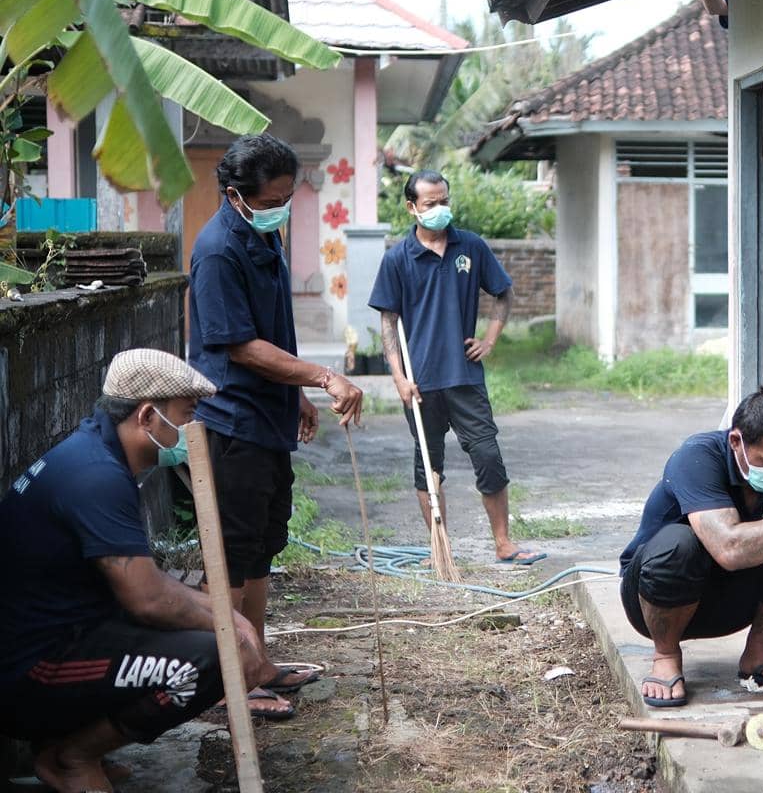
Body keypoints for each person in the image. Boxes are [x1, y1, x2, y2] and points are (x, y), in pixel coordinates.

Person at [0, 349, 272, 793]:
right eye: (186, 415)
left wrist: (229, 615)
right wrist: (231, 628)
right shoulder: (96, 477)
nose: (191, 429)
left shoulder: (94, 452)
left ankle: (75, 745)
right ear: (147, 415)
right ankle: (73, 756)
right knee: (214, 660)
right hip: (27, 671)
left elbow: (148, 582)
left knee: (220, 637)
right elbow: (147, 600)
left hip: (63, 636)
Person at [188, 133, 364, 718]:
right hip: (232, 421)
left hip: (268, 418)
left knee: (262, 547)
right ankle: (224, 683)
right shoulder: (217, 250)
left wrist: (297, 396)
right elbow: (237, 345)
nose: (283, 207)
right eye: (274, 199)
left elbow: (273, 330)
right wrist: (321, 377)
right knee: (232, 556)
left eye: (290, 196)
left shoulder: (264, 236)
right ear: (238, 196)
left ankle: (256, 662)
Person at [618, 389, 763, 707]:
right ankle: (666, 655)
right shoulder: (696, 459)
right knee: (679, 544)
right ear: (735, 441)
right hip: (653, 602)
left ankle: (759, 651)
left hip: (731, 606)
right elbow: (729, 549)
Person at [369, 170, 544, 565]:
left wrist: (490, 340)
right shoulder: (398, 258)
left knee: (488, 456)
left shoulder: (472, 246)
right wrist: (398, 377)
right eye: (430, 204)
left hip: (464, 376)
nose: (439, 209)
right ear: (411, 207)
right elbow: (388, 321)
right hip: (421, 382)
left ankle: (503, 542)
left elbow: (503, 293)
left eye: (444, 200)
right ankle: (439, 548)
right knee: (428, 466)